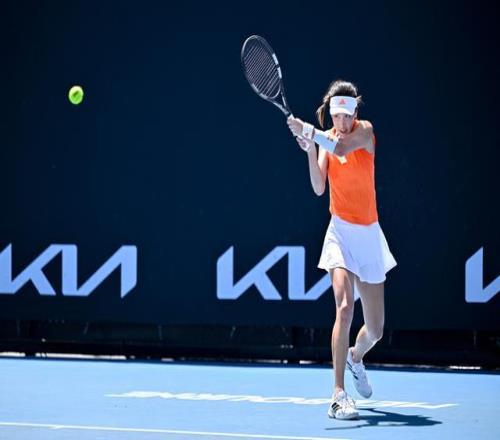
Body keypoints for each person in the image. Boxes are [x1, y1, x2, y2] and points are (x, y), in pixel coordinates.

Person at [287, 80, 397, 420]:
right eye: (337, 116)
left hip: (369, 235)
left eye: (348, 116)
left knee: (375, 330)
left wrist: (310, 131)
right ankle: (338, 395)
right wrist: (310, 148)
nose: (343, 122)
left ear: (355, 113)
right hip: (340, 234)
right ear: (331, 113)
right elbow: (319, 188)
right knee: (345, 308)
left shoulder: (365, 132)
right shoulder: (326, 140)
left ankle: (355, 357)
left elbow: (340, 148)